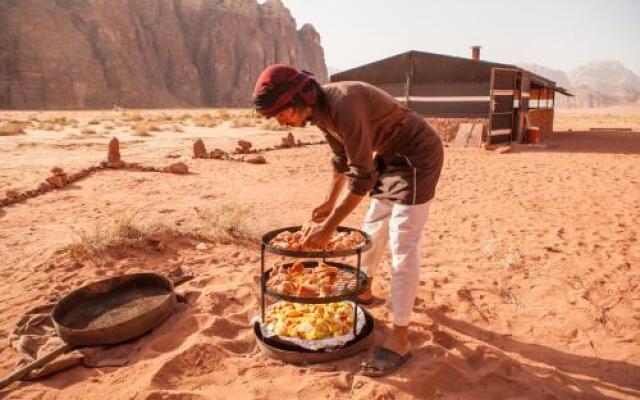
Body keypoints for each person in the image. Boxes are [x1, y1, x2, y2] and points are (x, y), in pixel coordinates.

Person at [252, 64, 444, 376]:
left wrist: (328, 229)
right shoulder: (319, 114)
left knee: (402, 240)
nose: (281, 121)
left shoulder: (344, 104)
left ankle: (400, 337)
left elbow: (362, 179)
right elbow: (341, 161)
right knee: (374, 223)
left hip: (418, 155)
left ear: (300, 98)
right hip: (391, 158)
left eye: (281, 113)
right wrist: (329, 202)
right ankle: (364, 290)